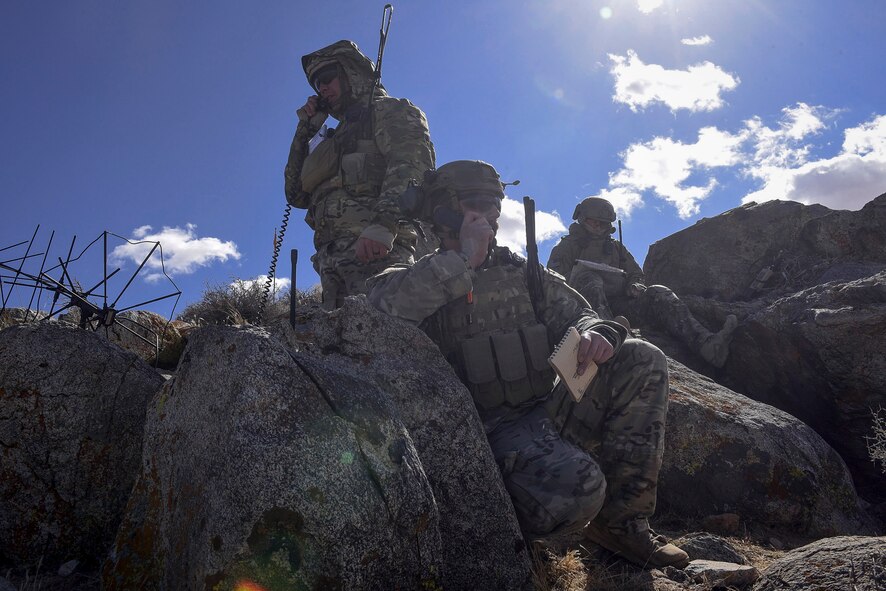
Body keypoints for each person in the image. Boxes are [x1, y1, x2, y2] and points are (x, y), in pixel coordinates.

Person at [367, 160, 689, 568]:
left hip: (546, 414)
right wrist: (463, 260)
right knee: (579, 489)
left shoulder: (523, 273)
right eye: (475, 206)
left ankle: (622, 526)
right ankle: (503, 531)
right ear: (442, 211)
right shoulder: (413, 277)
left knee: (642, 358)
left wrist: (598, 333)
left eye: (494, 208)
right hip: (483, 441)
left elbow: (580, 314)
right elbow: (384, 310)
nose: (489, 217)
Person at [283, 40, 435, 310]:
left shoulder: (390, 110)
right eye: (317, 85)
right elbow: (295, 194)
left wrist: (383, 225)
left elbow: (411, 167)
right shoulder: (332, 137)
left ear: (350, 73)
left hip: (378, 253)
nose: (323, 88)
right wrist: (305, 130)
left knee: (389, 341)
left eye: (327, 78)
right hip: (331, 263)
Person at [548, 197, 738, 368]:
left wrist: (636, 285)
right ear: (581, 219)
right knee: (590, 278)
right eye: (593, 221)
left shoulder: (615, 247)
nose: (598, 226)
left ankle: (707, 345)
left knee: (658, 291)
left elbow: (636, 273)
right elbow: (555, 282)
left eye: (603, 223)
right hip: (586, 313)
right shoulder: (566, 247)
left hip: (622, 306)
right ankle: (611, 339)